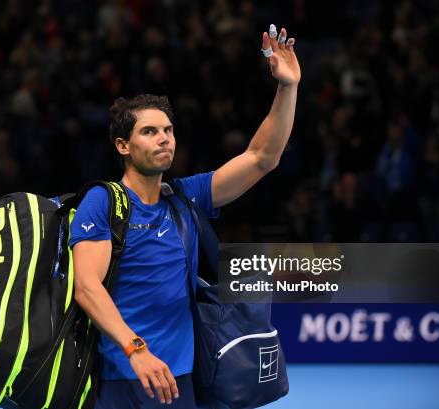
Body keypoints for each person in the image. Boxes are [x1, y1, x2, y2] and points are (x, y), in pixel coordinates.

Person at [70, 26, 300, 409]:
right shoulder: (103, 202)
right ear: (123, 146)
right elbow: (87, 288)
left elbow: (262, 157)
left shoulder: (185, 197)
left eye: (168, 130)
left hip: (184, 380)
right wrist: (135, 350)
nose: (164, 138)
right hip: (124, 377)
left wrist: (287, 88)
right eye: (149, 131)